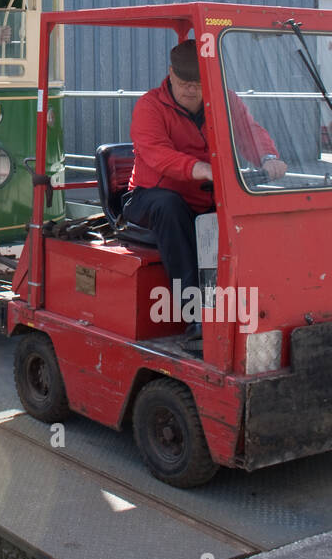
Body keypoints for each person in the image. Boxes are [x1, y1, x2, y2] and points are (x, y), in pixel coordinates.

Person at [122, 39, 286, 340]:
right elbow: (157, 153)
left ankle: (262, 304)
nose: (190, 89)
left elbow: (251, 132)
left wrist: (269, 157)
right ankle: (194, 314)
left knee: (250, 212)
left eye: (197, 82)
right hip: (148, 197)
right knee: (169, 207)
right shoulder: (149, 107)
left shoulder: (225, 101)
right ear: (170, 73)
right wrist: (201, 169)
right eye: (183, 81)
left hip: (207, 194)